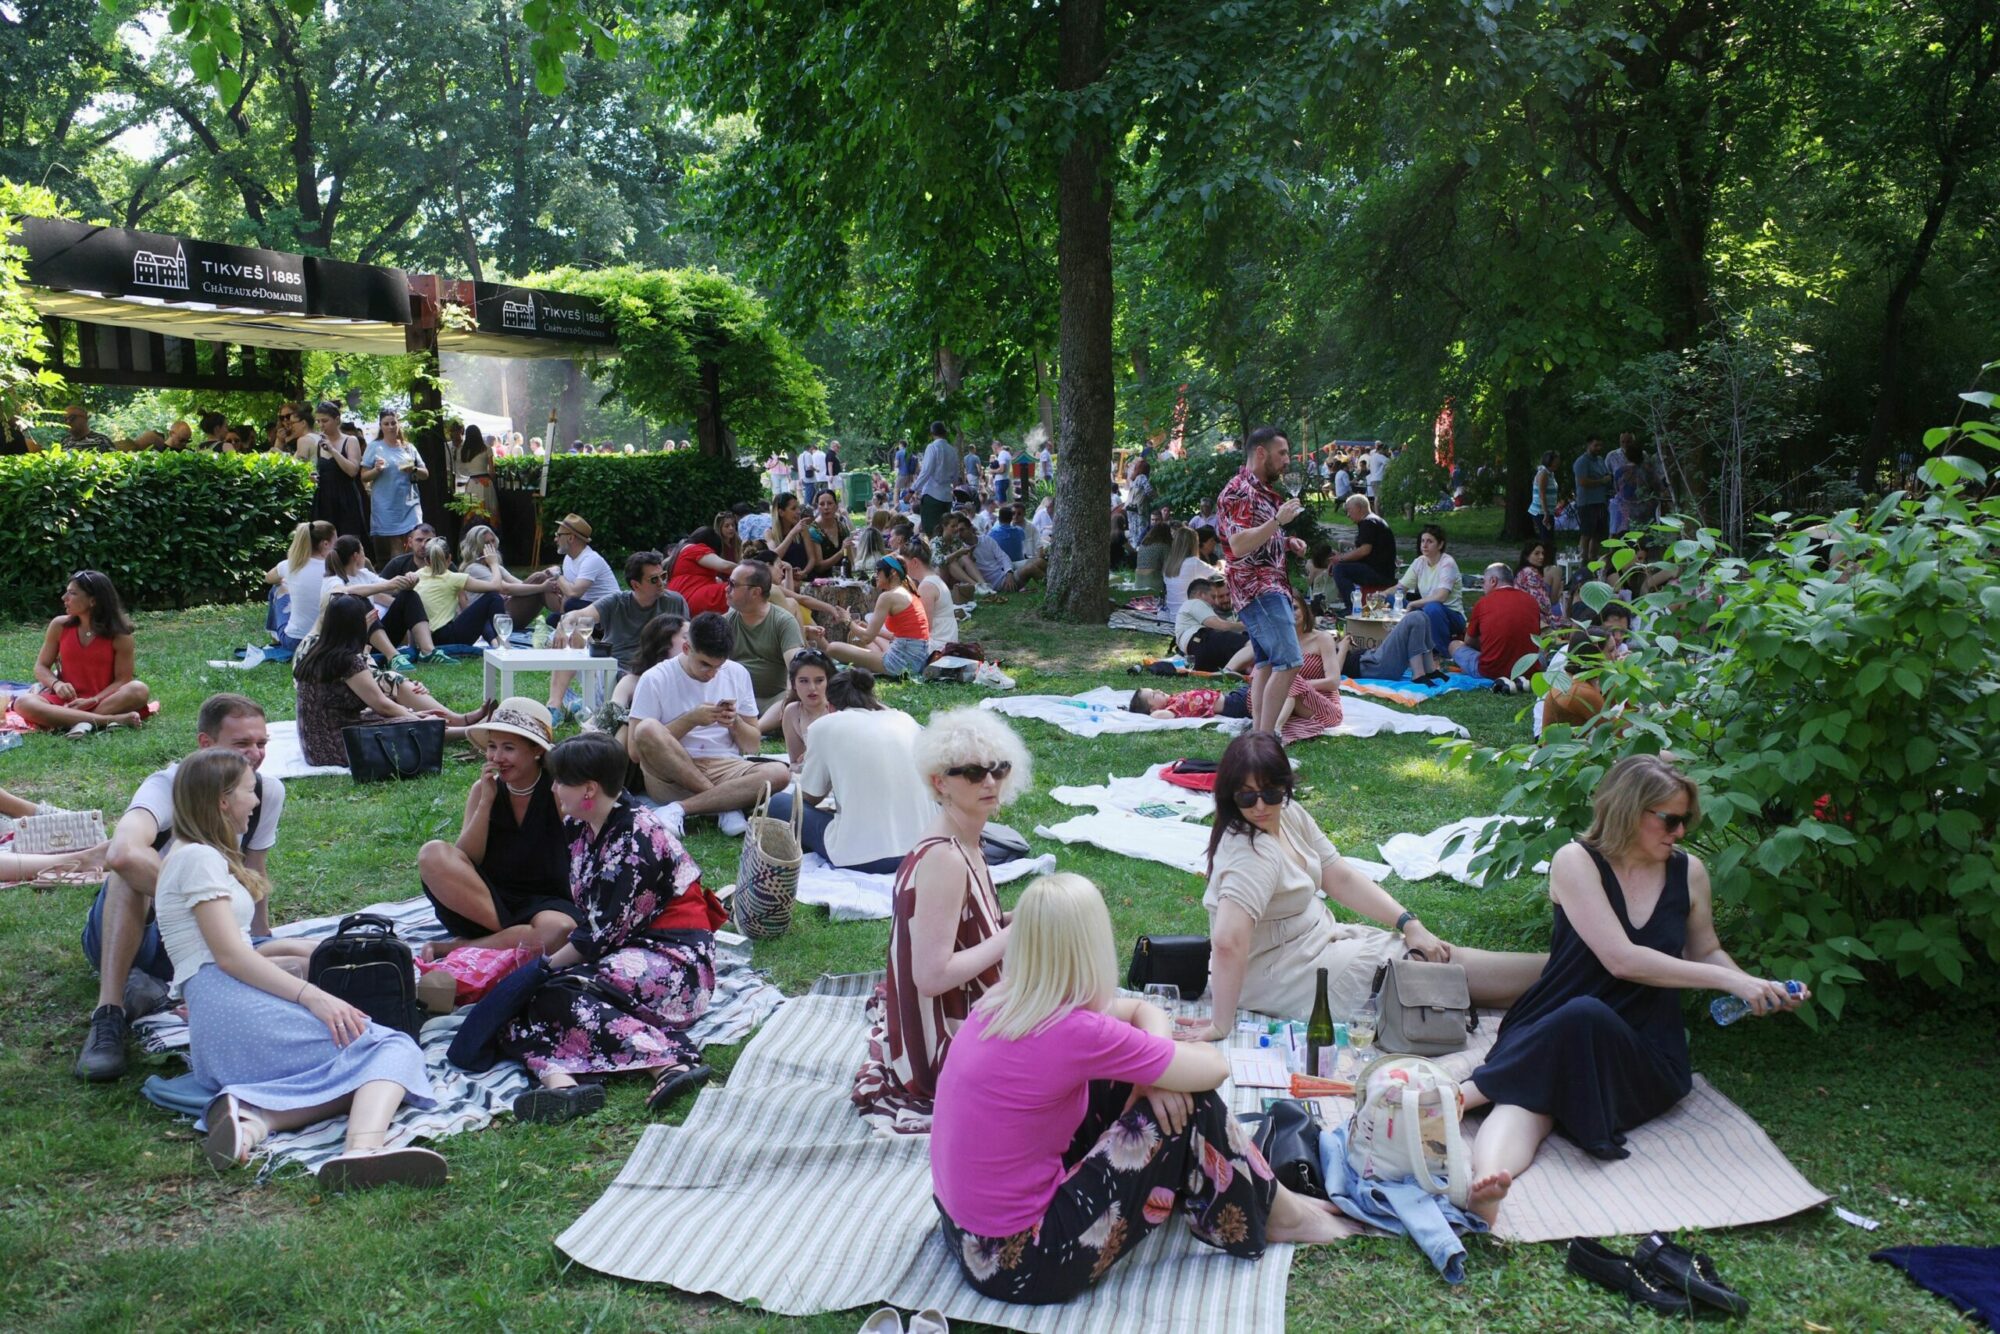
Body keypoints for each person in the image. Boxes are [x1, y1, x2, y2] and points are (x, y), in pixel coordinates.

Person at [931, 872, 1355, 1303]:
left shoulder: (1005, 1001)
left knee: (1140, 1081)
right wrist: (1158, 1074)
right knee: (1190, 1102)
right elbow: (1211, 1069)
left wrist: (1149, 1071)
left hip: (966, 1236)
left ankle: (1269, 1198)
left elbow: (1137, 1007)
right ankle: (1278, 1211)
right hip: (1026, 1262)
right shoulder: (1076, 1032)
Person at [1460, 757, 1809, 1223]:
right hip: (1552, 1021)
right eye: (1669, 819)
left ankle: (1461, 1094)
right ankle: (1488, 1182)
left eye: (1685, 820)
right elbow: (1620, 959)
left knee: (1572, 1031)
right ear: (1629, 811)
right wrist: (1731, 981)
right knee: (1530, 1097)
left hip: (1642, 1046)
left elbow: (1705, 950)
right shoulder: (1575, 862)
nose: (1680, 832)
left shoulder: (1689, 873)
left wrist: (1752, 985)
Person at [158, 749, 442, 1188]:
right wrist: (314, 996)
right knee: (392, 1050)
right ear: (222, 800)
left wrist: (293, 951)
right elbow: (230, 957)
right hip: (231, 1013)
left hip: (218, 1026)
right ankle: (363, 1151)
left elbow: (224, 950)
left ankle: (253, 1121)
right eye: (250, 792)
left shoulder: (191, 854)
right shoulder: (198, 858)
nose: (255, 803)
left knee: (365, 1067)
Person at [1191, 732, 1546, 1036]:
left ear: (1286, 787)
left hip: (1320, 947)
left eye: (1270, 792)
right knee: (1438, 973)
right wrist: (1221, 1024)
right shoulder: (1252, 854)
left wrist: (1410, 923)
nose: (1259, 806)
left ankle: (1569, 980)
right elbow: (1227, 941)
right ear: (1229, 797)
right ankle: (1569, 971)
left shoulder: (1288, 815)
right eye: (1246, 796)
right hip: (1288, 977)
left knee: (1441, 961)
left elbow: (1339, 876)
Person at [498, 733, 725, 1124]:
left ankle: (668, 1063)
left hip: (675, 962)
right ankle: (564, 1085)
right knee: (522, 1003)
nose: (553, 789)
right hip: (627, 949)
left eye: (559, 781)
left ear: (589, 788)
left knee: (553, 990)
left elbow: (597, 935)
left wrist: (544, 967)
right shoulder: (582, 824)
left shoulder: (637, 837)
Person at [74, 695, 289, 1081]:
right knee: (127, 875)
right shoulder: (167, 786)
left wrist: (258, 940)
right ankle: (109, 1013)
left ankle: (150, 989)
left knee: (301, 957)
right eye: (242, 744)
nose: (255, 754)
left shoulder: (262, 792)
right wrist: (196, 901)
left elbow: (255, 868)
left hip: (203, 940)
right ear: (205, 744)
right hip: (141, 928)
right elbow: (121, 853)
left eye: (262, 743)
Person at [852, 707, 1030, 1132]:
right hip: (950, 1045)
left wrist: (1024, 917)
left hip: (969, 1015)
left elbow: (966, 926)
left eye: (998, 769)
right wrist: (1014, 935)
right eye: (970, 772)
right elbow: (931, 977)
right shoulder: (946, 858)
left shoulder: (966, 838)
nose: (989, 781)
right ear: (940, 782)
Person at [415, 699, 579, 958]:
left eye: (509, 748)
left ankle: (456, 948)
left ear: (536, 749)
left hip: (545, 900)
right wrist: (486, 802)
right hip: (484, 902)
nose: (497, 757)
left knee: (560, 928)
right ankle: (511, 936)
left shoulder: (557, 790)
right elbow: (467, 859)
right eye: (492, 747)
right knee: (432, 853)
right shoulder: (483, 790)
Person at [627, 611, 791, 837]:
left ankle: (682, 808)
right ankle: (725, 804)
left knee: (780, 773)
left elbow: (753, 745)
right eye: (705, 665)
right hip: (672, 771)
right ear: (686, 649)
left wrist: (735, 723)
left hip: (725, 767)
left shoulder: (737, 673)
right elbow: (635, 751)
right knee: (647, 728)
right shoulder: (655, 677)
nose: (712, 674)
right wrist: (691, 719)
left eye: (718, 666)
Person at [291, 596, 495, 768]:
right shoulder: (347, 660)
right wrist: (414, 718)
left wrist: (411, 714)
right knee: (406, 724)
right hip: (335, 747)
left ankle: (466, 724)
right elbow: (382, 705)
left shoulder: (317, 652)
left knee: (406, 717)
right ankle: (476, 732)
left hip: (315, 742)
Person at [768, 668, 935, 873]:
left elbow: (808, 798)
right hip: (923, 851)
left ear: (830, 707)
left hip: (866, 857)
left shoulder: (825, 725)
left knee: (779, 804)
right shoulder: (905, 720)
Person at [1216, 425, 1308, 735]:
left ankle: (1258, 733)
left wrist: (1285, 541)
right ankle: (1265, 738)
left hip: (1268, 587)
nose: (1287, 460)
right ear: (1260, 453)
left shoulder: (1260, 491)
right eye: (1282, 453)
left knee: (1267, 664)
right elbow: (1239, 544)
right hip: (1257, 590)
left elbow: (1258, 539)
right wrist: (1278, 521)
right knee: (1291, 661)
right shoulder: (1239, 490)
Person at [545, 550, 688, 720]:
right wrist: (564, 624)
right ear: (636, 585)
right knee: (571, 633)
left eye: (663, 576)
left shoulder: (674, 601)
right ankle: (554, 706)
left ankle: (585, 703)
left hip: (655, 670)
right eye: (654, 579)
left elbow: (689, 637)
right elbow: (577, 615)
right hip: (614, 668)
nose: (661, 583)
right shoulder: (617, 601)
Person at [15, 571, 151, 734]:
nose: (64, 597)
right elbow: (41, 666)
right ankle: (109, 720)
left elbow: (123, 680)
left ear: (93, 600)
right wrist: (56, 684)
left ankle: (71, 721)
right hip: (64, 702)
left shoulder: (120, 636)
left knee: (139, 689)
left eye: (72, 593)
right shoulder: (59, 625)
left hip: (104, 700)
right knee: (23, 702)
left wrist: (94, 699)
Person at [815, 554, 931, 678]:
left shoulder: (887, 596)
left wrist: (848, 620)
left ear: (893, 573)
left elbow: (866, 638)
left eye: (878, 571)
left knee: (833, 648)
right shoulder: (908, 593)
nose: (875, 575)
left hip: (902, 662)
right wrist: (868, 627)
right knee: (869, 641)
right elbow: (896, 636)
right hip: (917, 658)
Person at [412, 540, 544, 648]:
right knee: (493, 598)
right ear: (450, 558)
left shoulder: (416, 576)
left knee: (480, 611)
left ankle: (494, 641)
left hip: (425, 639)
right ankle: (504, 643)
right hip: (447, 638)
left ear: (426, 560)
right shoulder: (454, 578)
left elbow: (466, 609)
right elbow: (496, 587)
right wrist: (493, 563)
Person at [509, 514, 619, 627]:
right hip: (585, 610)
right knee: (552, 621)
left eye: (558, 535)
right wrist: (562, 621)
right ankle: (511, 620)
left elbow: (574, 593)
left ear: (571, 538)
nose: (555, 539)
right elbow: (567, 595)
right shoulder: (568, 559)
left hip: (608, 615)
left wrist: (557, 575)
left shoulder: (591, 559)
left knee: (571, 605)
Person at [723, 561, 807, 709]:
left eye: (733, 584)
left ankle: (753, 729)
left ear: (755, 592)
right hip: (733, 699)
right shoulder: (726, 622)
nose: (726, 588)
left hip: (773, 701)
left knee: (793, 703)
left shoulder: (783, 621)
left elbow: (796, 667)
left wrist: (790, 694)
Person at [1449, 564, 1543, 688]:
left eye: (1484, 581)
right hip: (1529, 669)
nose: (1483, 586)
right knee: (1541, 653)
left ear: (1493, 581)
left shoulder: (1483, 603)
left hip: (1491, 671)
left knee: (1454, 645)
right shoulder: (1531, 601)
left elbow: (1468, 641)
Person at [1275, 589, 1344, 745]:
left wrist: (1300, 685)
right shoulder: (1280, 641)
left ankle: (1275, 730)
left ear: (1304, 610)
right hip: (1291, 702)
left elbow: (1334, 681)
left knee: (1290, 679)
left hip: (1325, 708)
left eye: (1295, 607)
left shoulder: (1322, 638)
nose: (1291, 613)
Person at [360, 409, 428, 565]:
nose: (390, 427)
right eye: (386, 424)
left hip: (410, 503)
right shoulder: (375, 447)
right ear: (381, 426)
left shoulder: (408, 447)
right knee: (396, 544)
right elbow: (363, 476)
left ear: (398, 424)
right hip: (387, 504)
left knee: (414, 542)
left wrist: (414, 469)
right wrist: (376, 470)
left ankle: (418, 579)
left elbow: (425, 474)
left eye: (393, 423)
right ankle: (399, 579)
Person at [298, 401, 368, 543]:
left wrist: (333, 450)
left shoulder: (350, 440)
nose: (321, 425)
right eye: (318, 421)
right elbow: (316, 470)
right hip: (325, 500)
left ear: (337, 420)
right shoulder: (318, 444)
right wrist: (312, 477)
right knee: (324, 543)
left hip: (346, 499)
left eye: (325, 421)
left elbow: (352, 471)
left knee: (348, 543)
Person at [263, 520, 337, 649]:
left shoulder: (289, 565)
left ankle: (275, 636)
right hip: (329, 641)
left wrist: (285, 581)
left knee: (278, 588)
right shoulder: (336, 568)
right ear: (325, 544)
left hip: (296, 641)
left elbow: (269, 578)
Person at [1397, 523, 1466, 649]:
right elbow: (1400, 588)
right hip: (1426, 609)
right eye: (1422, 541)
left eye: (1430, 541)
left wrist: (1413, 604)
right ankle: (1399, 645)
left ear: (1440, 545)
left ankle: (1442, 650)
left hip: (1451, 615)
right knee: (1393, 599)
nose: (1424, 545)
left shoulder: (1447, 563)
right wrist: (1382, 595)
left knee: (1432, 607)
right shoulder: (1420, 562)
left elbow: (1441, 597)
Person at [944, 512, 1046, 594]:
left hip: (1004, 574)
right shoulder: (960, 550)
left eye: (962, 530)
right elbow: (961, 571)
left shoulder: (986, 539)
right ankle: (1051, 591)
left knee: (1039, 561)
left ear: (970, 528)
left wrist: (1009, 573)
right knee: (1031, 568)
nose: (959, 534)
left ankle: (1057, 585)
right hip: (999, 584)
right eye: (957, 531)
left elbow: (1003, 557)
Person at [1329, 494, 1398, 608]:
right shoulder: (1374, 521)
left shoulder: (1368, 522)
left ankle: (1352, 608)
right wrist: (1343, 556)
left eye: (1349, 510)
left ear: (1359, 508)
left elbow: (1364, 551)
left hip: (1379, 573)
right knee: (1342, 565)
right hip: (1382, 570)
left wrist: (1340, 558)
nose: (1348, 515)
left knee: (1339, 569)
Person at [1174, 577, 1251, 673]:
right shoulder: (1194, 602)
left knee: (1247, 659)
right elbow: (1222, 626)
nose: (1214, 602)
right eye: (1213, 597)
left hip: (1199, 656)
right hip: (1201, 640)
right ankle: (1227, 671)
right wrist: (1250, 624)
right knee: (1253, 645)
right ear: (1200, 595)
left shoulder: (1188, 612)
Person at [777, 647, 834, 767]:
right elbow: (795, 762)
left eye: (819, 680)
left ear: (828, 681)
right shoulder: (792, 712)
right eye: (803, 681)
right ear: (793, 684)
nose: (812, 688)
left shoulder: (838, 710)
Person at [665, 526, 735, 618]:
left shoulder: (680, 552)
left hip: (679, 601)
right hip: (693, 598)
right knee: (739, 588)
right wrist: (752, 569)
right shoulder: (696, 549)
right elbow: (725, 566)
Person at [901, 539, 959, 649]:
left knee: (879, 639)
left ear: (915, 562)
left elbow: (924, 629)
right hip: (945, 641)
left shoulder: (927, 586)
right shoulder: (933, 580)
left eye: (904, 563)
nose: (902, 567)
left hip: (938, 647)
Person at [1162, 525, 1217, 619]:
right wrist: (1221, 565)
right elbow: (1218, 576)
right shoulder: (1193, 562)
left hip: (1173, 616)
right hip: (1189, 617)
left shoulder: (1168, 565)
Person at [1573, 435, 1611, 571]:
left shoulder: (1600, 460)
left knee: (1598, 534)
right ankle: (1582, 562)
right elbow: (1582, 482)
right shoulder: (1581, 462)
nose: (1598, 448)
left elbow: (1606, 474)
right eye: (1596, 445)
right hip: (1587, 503)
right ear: (1588, 445)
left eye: (1600, 445)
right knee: (1587, 533)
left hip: (1600, 501)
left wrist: (1607, 479)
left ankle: (1593, 560)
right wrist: (1601, 481)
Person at [915, 421, 959, 537]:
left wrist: (912, 489)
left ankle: (936, 554)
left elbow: (926, 471)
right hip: (947, 497)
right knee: (946, 532)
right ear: (945, 433)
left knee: (933, 532)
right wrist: (954, 487)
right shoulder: (952, 450)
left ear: (932, 433)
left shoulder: (932, 447)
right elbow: (956, 473)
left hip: (932, 496)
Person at [454, 423, 498, 527]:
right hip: (486, 483)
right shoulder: (487, 448)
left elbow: (461, 470)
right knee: (489, 510)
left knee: (471, 511)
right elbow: (492, 471)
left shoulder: (462, 450)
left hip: (472, 484)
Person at [801, 489, 851, 579]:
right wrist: (841, 552)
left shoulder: (841, 526)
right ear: (817, 507)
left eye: (830, 503)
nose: (826, 507)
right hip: (822, 581)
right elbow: (819, 567)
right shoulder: (814, 531)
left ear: (836, 506)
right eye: (822, 504)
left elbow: (849, 555)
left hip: (843, 579)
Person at [1126, 683, 1250, 720]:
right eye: (1153, 694)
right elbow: (1156, 716)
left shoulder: (1172, 700)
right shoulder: (1172, 709)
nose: (1158, 689)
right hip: (1235, 704)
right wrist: (1152, 713)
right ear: (1153, 708)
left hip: (1234, 695)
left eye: (1154, 688)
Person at [1516, 539, 1565, 626]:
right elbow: (1544, 605)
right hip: (1535, 621)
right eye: (1537, 553)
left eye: (1543, 553)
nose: (1541, 557)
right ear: (1527, 556)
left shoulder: (1523, 571)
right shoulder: (1530, 574)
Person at [767, 493, 813, 574]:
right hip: (783, 581)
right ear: (781, 512)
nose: (798, 511)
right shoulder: (770, 532)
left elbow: (812, 559)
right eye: (793, 508)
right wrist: (792, 533)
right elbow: (774, 557)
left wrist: (804, 572)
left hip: (804, 579)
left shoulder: (803, 529)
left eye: (798, 507)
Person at [1131, 522, 1172, 595]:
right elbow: (1168, 569)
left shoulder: (1143, 545)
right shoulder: (1164, 546)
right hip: (1154, 582)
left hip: (1138, 582)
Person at [1530, 450, 1560, 546]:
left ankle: (1548, 558)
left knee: (1549, 538)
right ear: (1549, 461)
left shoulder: (1550, 473)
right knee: (1546, 539)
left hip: (1549, 511)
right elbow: (1541, 494)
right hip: (1541, 512)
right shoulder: (1543, 474)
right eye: (1556, 460)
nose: (1558, 462)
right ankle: (1545, 559)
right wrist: (1546, 513)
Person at [1124, 459, 1155, 551]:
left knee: (1133, 529)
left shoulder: (1134, 479)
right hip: (1140, 508)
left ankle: (1133, 548)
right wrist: (1155, 497)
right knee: (1142, 528)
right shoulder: (1142, 477)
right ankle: (1140, 549)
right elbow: (1149, 490)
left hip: (1130, 507)